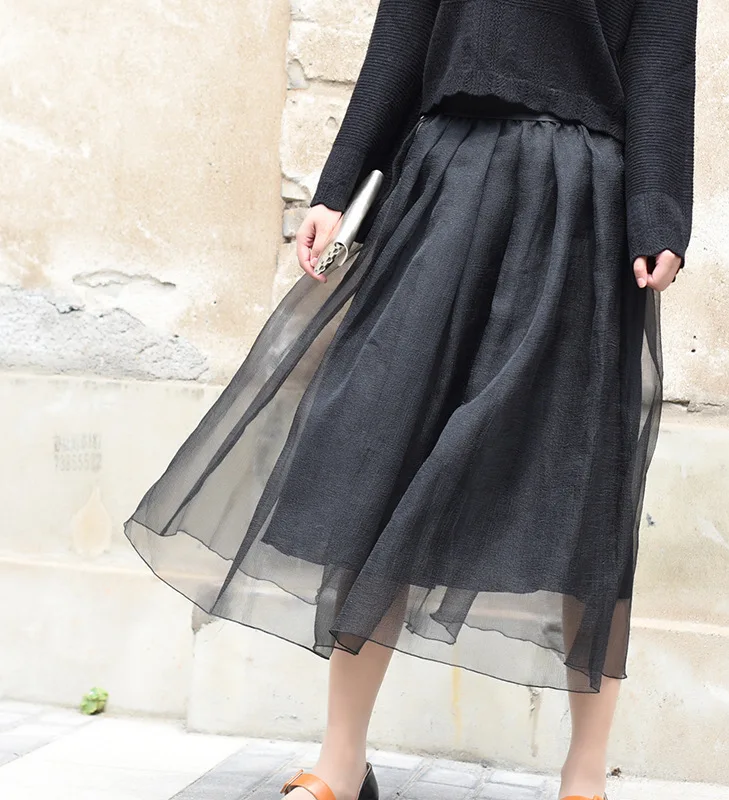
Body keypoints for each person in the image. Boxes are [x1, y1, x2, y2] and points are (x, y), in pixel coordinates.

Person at [124, 1, 698, 799]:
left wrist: (659, 214)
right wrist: (339, 186)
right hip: (445, 179)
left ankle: (585, 776)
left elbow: (663, 61)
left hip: (581, 207)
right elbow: (399, 39)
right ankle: (341, 761)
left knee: (580, 493)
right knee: (379, 454)